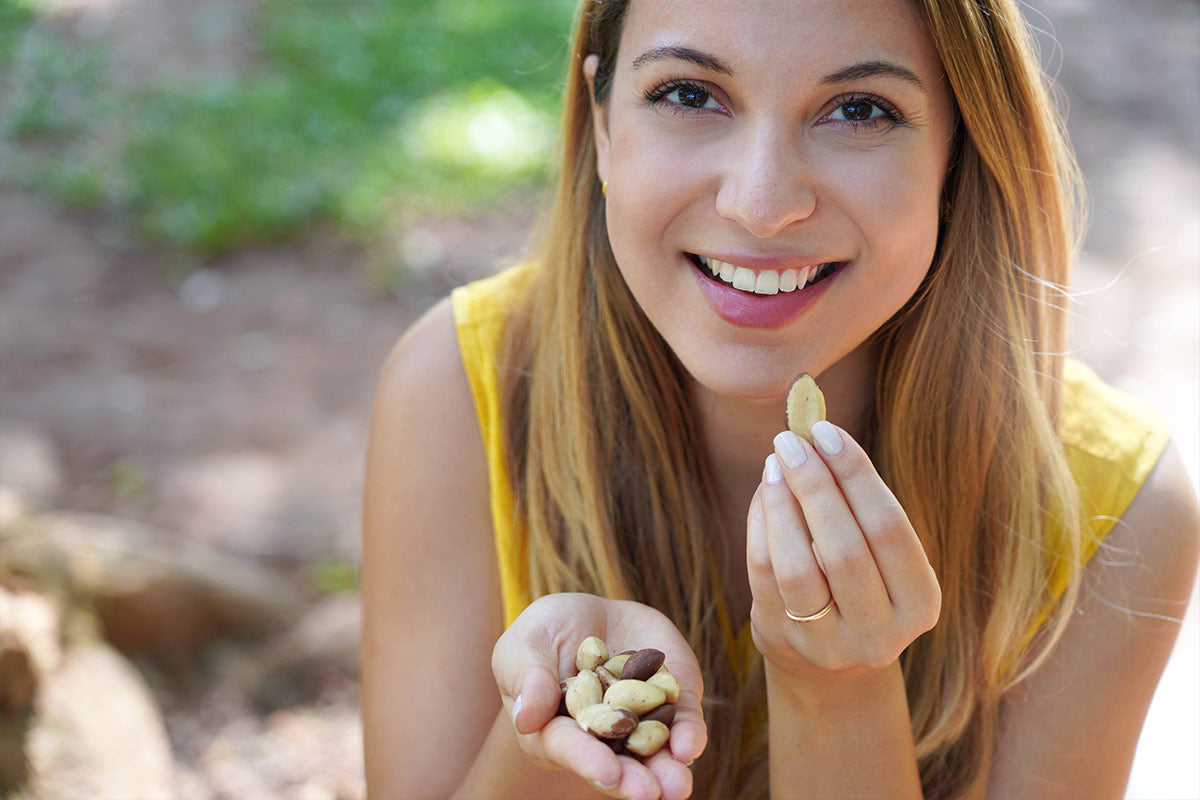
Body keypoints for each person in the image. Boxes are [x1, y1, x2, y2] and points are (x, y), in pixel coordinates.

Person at [360, 0, 1200, 797]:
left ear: (958, 151)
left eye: (861, 111)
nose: (762, 206)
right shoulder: (459, 390)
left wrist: (836, 694)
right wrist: (564, 728)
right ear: (606, 123)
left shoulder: (1117, 507)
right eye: (689, 94)